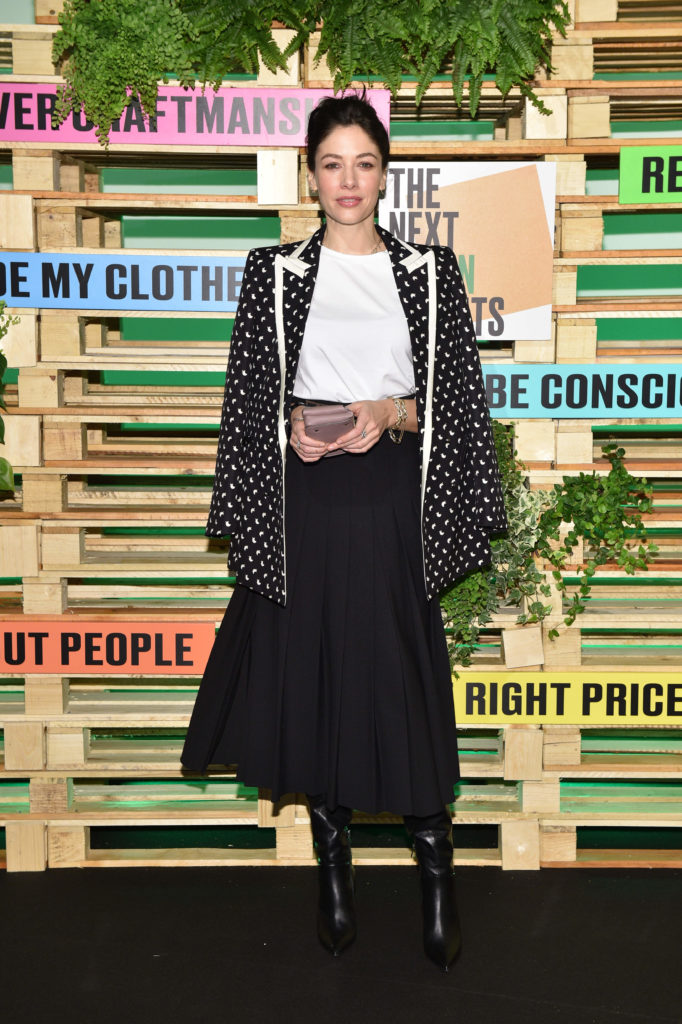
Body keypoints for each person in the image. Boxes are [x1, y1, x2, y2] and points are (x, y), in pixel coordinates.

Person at [181, 91, 507, 972]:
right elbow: (247, 397)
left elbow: (455, 405)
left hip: (394, 494)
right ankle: (333, 870)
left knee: (399, 671)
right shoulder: (273, 272)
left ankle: (435, 869)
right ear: (311, 175)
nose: (349, 180)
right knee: (317, 673)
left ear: (384, 173)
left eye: (364, 163)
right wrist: (288, 427)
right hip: (307, 500)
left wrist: (387, 410)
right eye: (332, 164)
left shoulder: (430, 272)